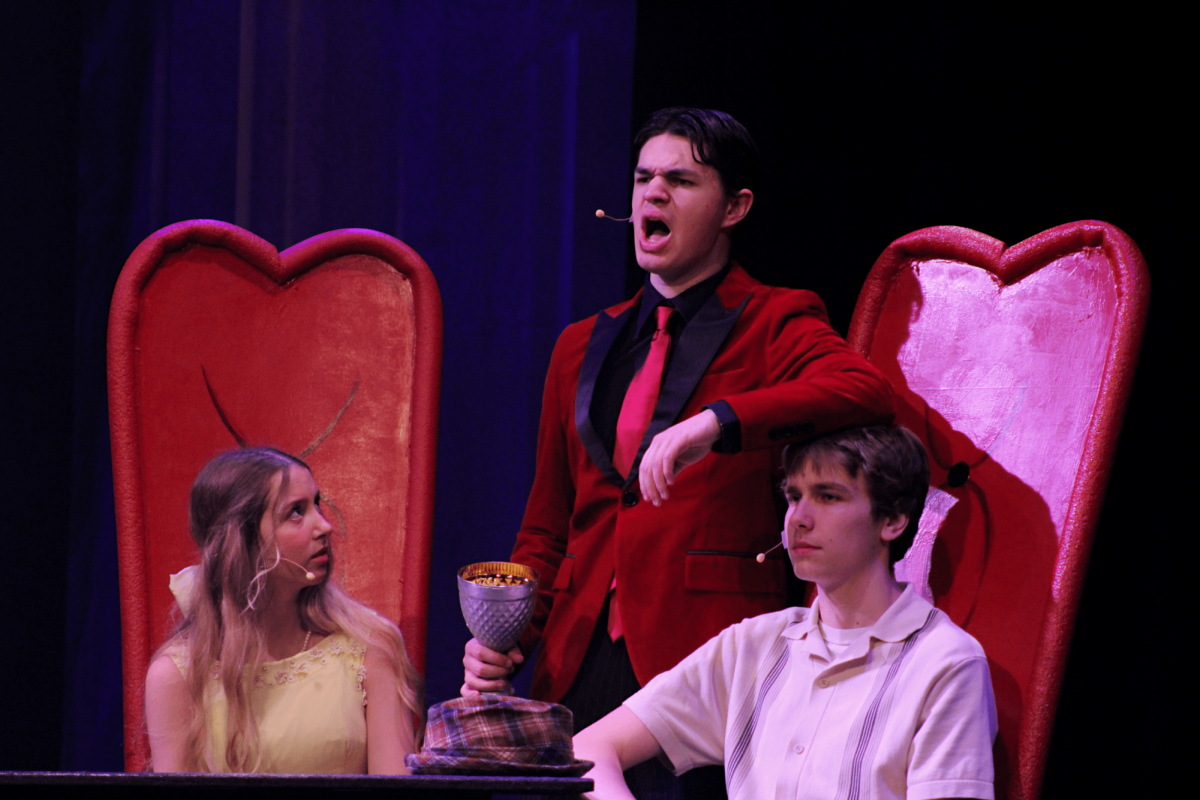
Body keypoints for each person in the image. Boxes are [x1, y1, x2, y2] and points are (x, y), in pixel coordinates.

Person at [463, 108, 894, 794]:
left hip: (704, 657)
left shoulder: (774, 319)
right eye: (643, 179)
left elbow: (862, 389)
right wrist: (508, 634)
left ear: (735, 206)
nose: (652, 195)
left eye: (681, 180)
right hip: (576, 660)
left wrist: (716, 422)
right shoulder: (582, 343)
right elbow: (549, 522)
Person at [574, 425, 998, 800]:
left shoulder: (946, 662)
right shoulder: (754, 645)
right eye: (794, 496)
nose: (799, 518)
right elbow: (588, 749)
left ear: (893, 520)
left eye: (827, 496)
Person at [144, 448, 423, 773]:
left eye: (316, 504)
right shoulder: (178, 676)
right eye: (295, 512)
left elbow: (398, 797)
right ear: (241, 543)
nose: (324, 526)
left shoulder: (372, 647)